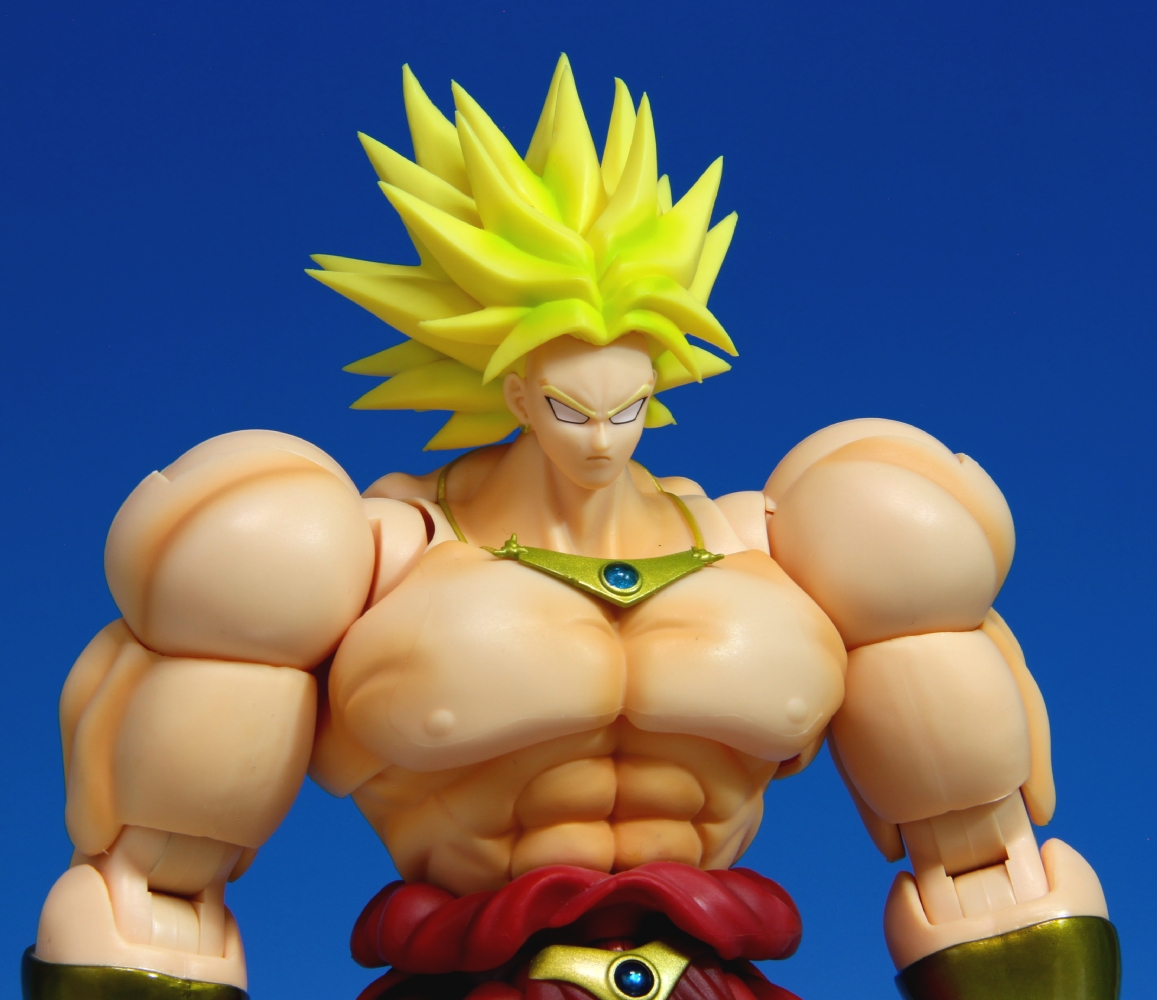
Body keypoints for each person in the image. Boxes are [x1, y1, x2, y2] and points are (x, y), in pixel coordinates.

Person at [24, 56, 1119, 1000]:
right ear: (511, 389)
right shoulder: (373, 559)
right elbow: (161, 884)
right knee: (247, 552)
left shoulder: (777, 551)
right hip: (473, 974)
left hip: (715, 973)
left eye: (628, 406)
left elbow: (977, 858)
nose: (602, 438)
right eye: (567, 407)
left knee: (902, 530)